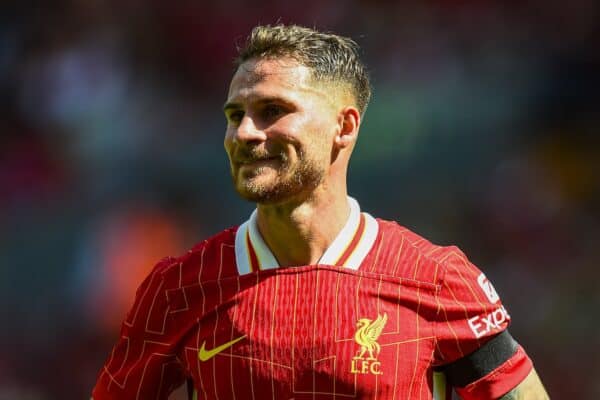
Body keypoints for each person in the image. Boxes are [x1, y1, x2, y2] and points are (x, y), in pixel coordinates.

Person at [92, 24, 549, 399]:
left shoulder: (435, 277)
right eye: (235, 115)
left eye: (273, 110)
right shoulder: (178, 288)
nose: (245, 133)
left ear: (344, 126)